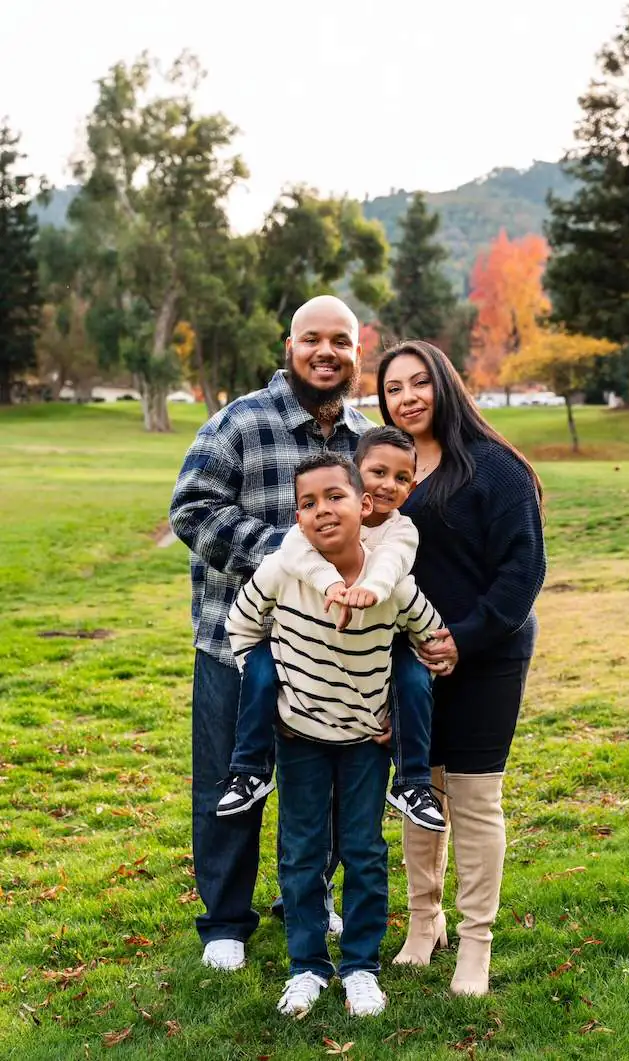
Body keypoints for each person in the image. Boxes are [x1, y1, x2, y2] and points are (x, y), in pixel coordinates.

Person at [169, 295, 373, 971]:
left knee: (326, 790)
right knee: (229, 781)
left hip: (334, 655)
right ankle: (225, 918)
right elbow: (191, 510)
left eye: (339, 341)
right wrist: (288, 552)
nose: (325, 352)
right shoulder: (239, 423)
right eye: (312, 338)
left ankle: (305, 901)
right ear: (289, 346)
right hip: (238, 647)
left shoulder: (365, 438)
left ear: (355, 351)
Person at [225, 452, 446, 1017]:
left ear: (364, 505)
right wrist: (266, 685)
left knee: (365, 854)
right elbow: (241, 627)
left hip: (363, 747)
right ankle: (306, 968)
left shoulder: (392, 584)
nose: (322, 510)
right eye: (307, 503)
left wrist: (408, 695)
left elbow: (429, 639)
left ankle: (360, 969)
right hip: (299, 740)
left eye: (335, 497)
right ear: (297, 517)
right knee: (300, 856)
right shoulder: (282, 571)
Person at [376, 339, 547, 996]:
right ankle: (425, 923)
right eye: (394, 388)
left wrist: (461, 638)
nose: (408, 396)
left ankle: (475, 941)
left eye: (420, 382)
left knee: (473, 799)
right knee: (422, 792)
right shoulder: (392, 469)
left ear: (444, 385)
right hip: (411, 662)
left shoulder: (494, 469)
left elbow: (521, 574)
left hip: (487, 655)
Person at [216, 425, 447, 832]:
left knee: (412, 677)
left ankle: (412, 782)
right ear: (357, 476)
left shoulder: (400, 529)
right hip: (311, 641)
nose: (389, 485)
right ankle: (249, 769)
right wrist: (333, 586)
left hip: (383, 637)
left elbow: (392, 563)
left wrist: (368, 591)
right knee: (261, 667)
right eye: (377, 472)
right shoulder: (312, 526)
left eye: (402, 478)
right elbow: (294, 552)